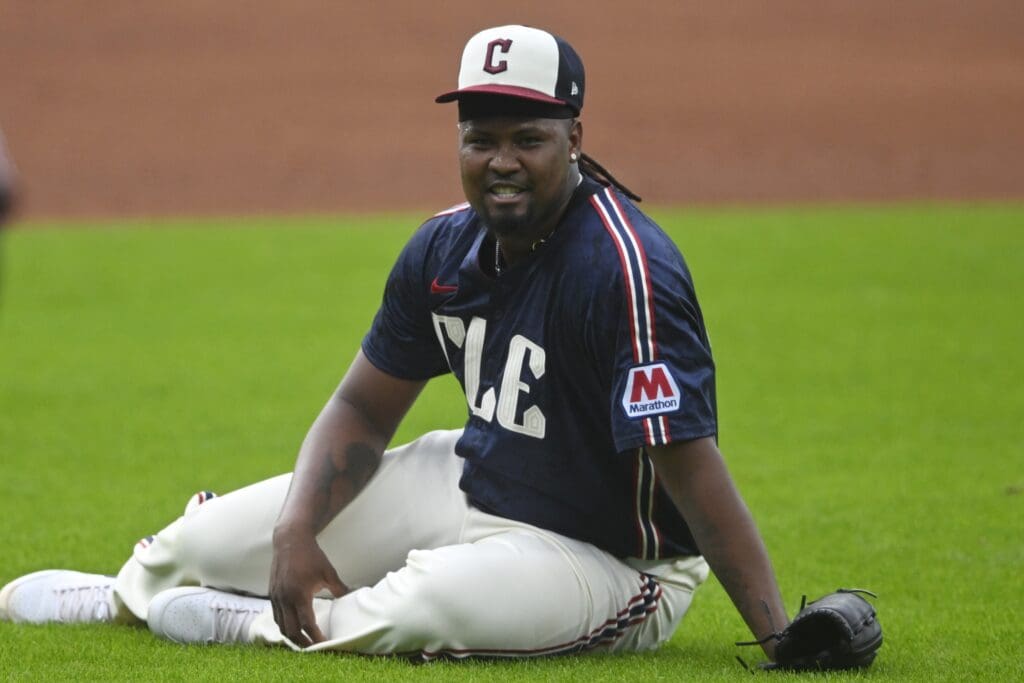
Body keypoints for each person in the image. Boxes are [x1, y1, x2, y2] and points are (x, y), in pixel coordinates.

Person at [0, 25, 788, 663]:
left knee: (427, 600)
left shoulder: (625, 268)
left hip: (612, 558)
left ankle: (255, 625)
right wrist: (295, 528)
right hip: (473, 479)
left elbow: (686, 462)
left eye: (528, 138)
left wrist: (775, 631)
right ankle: (128, 591)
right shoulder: (444, 248)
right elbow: (362, 410)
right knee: (225, 534)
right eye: (481, 138)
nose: (501, 162)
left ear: (574, 135)